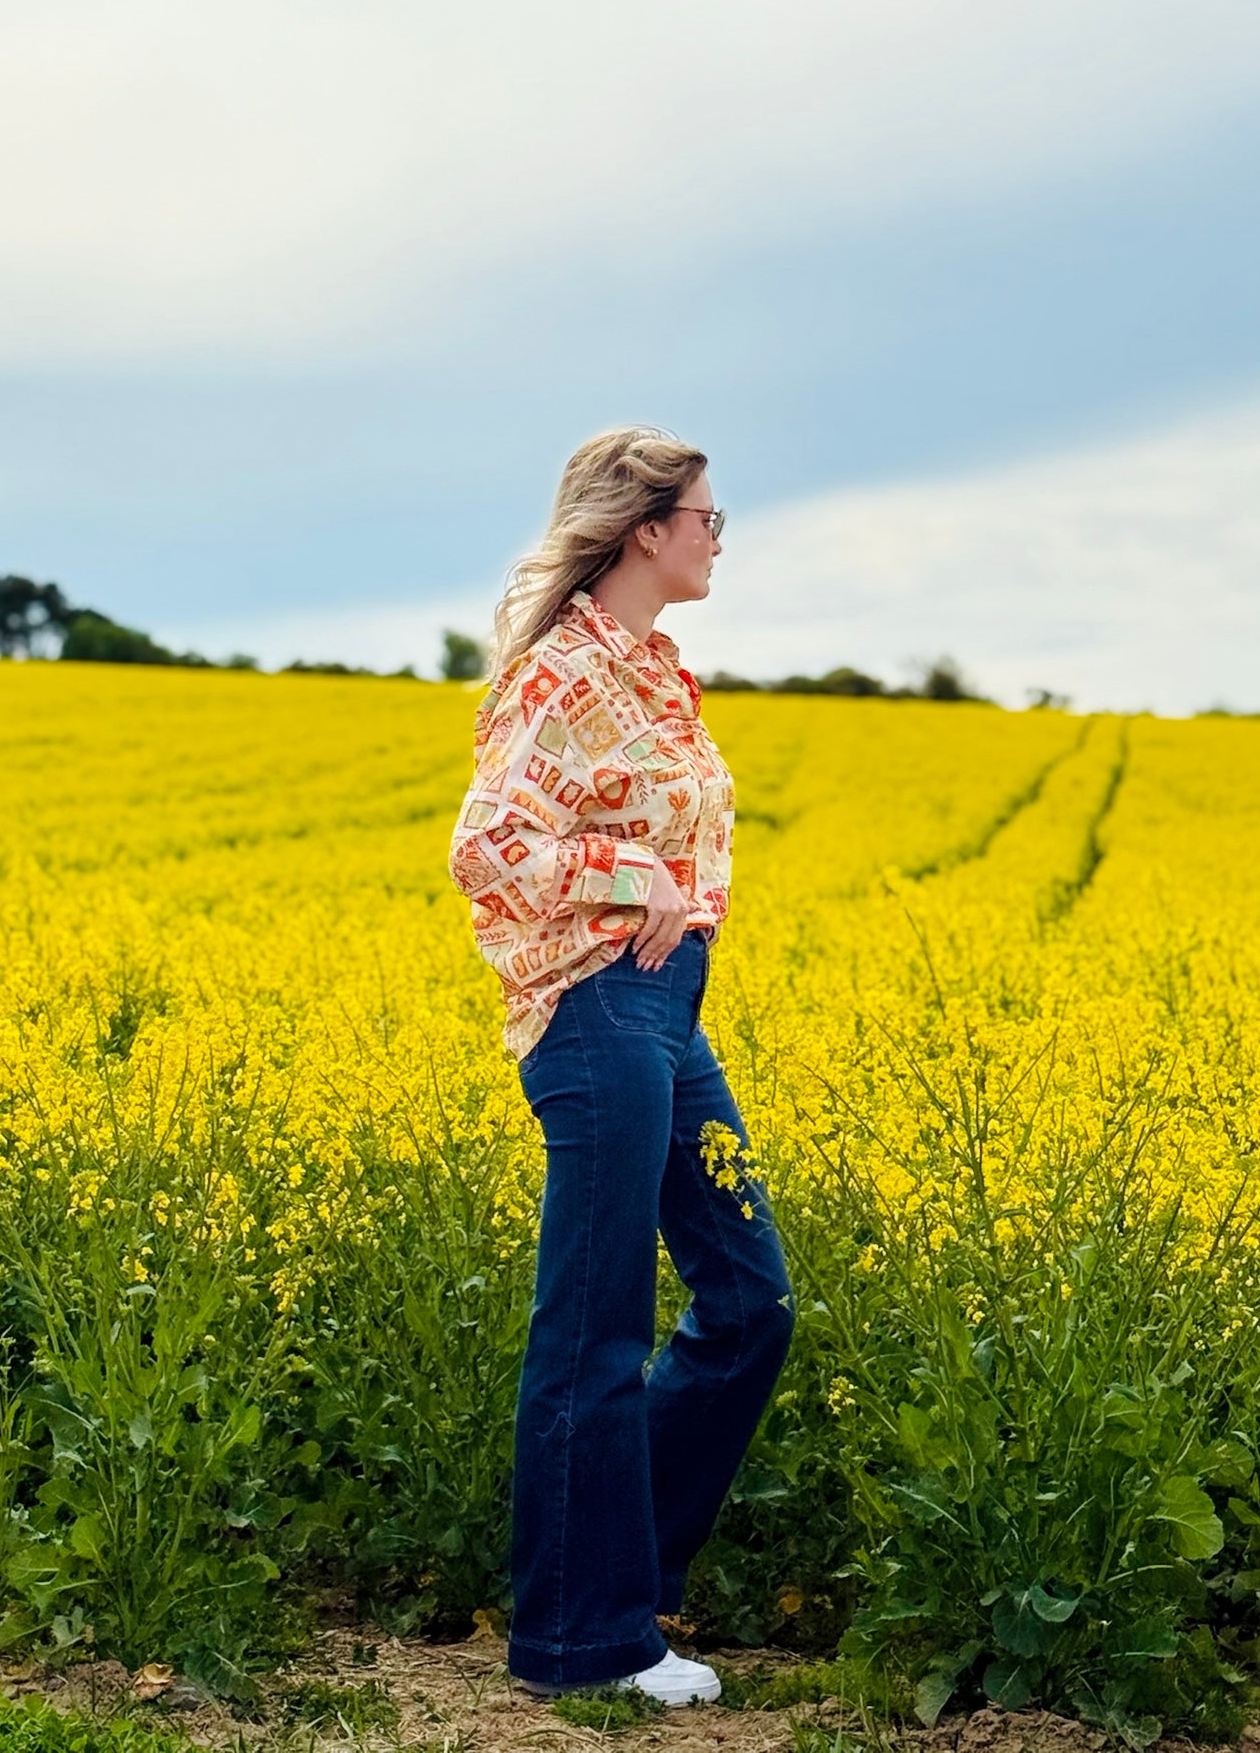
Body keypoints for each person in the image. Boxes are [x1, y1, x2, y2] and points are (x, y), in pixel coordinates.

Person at [447, 426, 795, 1706]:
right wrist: (625, 874)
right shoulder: (560, 676)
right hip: (591, 1014)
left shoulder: (653, 670)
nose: (717, 536)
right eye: (705, 516)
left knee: (750, 1303)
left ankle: (609, 1570)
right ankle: (580, 1641)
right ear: (645, 527)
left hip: (668, 1013)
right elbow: (483, 849)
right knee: (593, 1331)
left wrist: (674, 896)